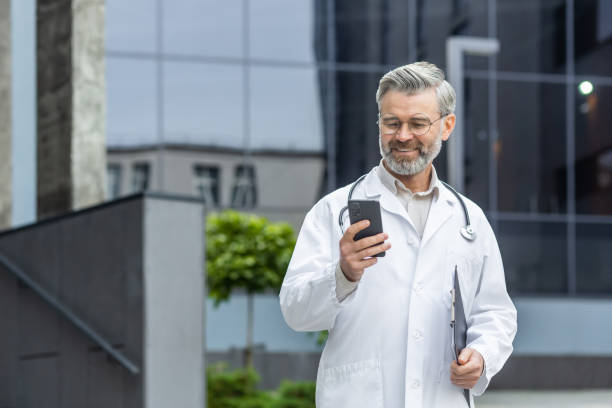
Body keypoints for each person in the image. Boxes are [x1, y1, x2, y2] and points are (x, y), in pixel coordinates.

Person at [279, 61, 517, 408]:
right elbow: (295, 312)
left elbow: (495, 312)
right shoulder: (334, 211)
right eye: (392, 123)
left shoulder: (469, 220)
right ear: (379, 125)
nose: (403, 136)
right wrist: (343, 274)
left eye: (418, 123)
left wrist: (482, 356)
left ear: (446, 126)